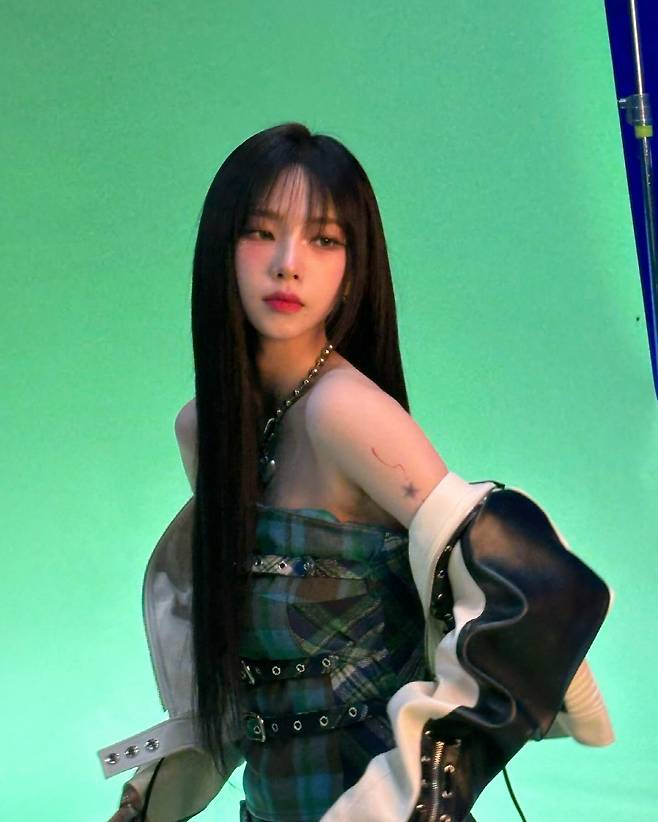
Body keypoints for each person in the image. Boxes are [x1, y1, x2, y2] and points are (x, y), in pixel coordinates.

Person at [101, 122, 614, 822]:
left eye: (324, 240)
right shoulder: (204, 430)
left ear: (354, 267)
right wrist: (147, 799)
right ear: (222, 249)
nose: (288, 264)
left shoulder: (342, 412)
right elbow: (241, 676)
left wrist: (444, 765)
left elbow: (527, 587)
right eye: (261, 232)